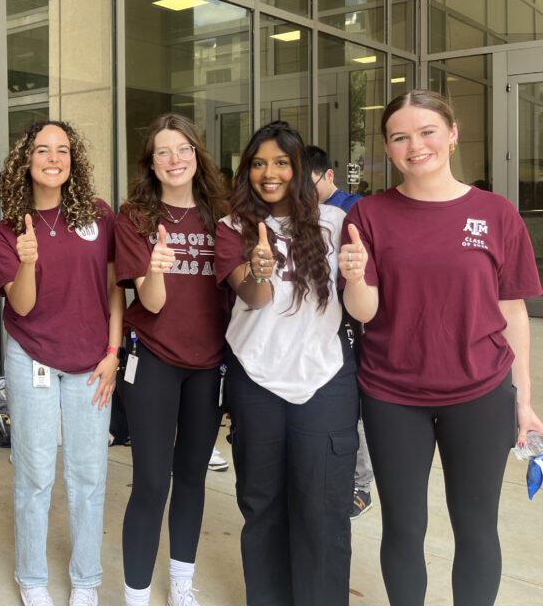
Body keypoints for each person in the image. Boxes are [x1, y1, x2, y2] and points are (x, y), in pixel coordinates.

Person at [341, 90, 542, 606]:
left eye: (427, 131)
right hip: (392, 393)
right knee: (404, 528)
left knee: (476, 529)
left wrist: (523, 399)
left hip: (480, 390)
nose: (415, 145)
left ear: (452, 134)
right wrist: (355, 276)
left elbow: (513, 310)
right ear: (387, 149)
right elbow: (364, 311)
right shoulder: (368, 215)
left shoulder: (496, 213)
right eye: (400, 137)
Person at [215, 120, 357, 606]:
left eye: (281, 162)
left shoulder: (335, 223)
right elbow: (253, 298)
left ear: (300, 169)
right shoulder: (232, 226)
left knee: (323, 507)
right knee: (263, 505)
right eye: (258, 163)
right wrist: (259, 270)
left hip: (325, 378)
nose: (269, 173)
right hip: (257, 378)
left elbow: (359, 301)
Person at [0, 121, 123, 606]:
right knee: (35, 472)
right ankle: (32, 576)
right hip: (32, 357)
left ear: (73, 160)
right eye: (42, 150)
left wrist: (113, 354)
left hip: (92, 360)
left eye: (62, 150)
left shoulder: (99, 216)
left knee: (89, 474)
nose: (53, 158)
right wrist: (26, 261)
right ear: (25, 161)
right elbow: (20, 307)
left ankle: (86, 580)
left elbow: (113, 290)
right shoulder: (6, 231)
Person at [116, 114, 229, 606]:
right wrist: (156, 268)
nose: (174, 159)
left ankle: (181, 581)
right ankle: (137, 595)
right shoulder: (135, 217)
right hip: (155, 361)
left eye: (182, 149)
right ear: (152, 163)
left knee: (192, 477)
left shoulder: (221, 213)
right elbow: (154, 304)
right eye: (163, 152)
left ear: (196, 154)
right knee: (150, 482)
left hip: (209, 365)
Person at [304, 145, 372, 518]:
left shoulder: (354, 209)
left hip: (352, 320)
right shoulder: (298, 212)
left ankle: (360, 483)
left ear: (329, 176)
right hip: (316, 321)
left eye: (308, 183)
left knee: (353, 405)